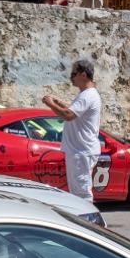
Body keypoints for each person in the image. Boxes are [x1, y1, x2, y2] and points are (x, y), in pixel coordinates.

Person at [42, 58, 101, 203]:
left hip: (81, 151)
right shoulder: (86, 95)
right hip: (79, 150)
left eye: (74, 73)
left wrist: (50, 104)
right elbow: (75, 111)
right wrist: (60, 103)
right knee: (77, 191)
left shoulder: (87, 95)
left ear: (83, 75)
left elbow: (69, 115)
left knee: (82, 194)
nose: (71, 77)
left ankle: (87, 223)